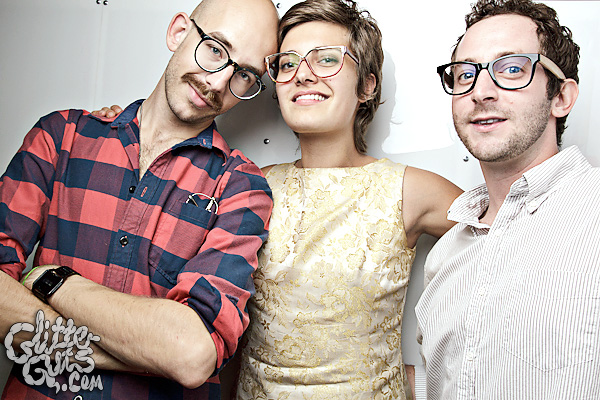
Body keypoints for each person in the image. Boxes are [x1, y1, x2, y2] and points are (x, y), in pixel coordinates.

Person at [0, 0, 278, 399]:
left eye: (245, 74)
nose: (219, 83)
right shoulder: (60, 137)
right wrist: (130, 352)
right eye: (216, 49)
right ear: (178, 32)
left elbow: (190, 354)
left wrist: (51, 281)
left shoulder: (241, 187)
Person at [224, 0, 462, 398]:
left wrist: (426, 380)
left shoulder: (409, 190)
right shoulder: (251, 186)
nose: (303, 75)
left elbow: (519, 244)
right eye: (287, 63)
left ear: (367, 86)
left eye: (327, 59)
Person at [414, 0, 600, 398]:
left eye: (512, 69)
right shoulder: (445, 255)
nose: (480, 92)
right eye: (465, 74)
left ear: (561, 97)